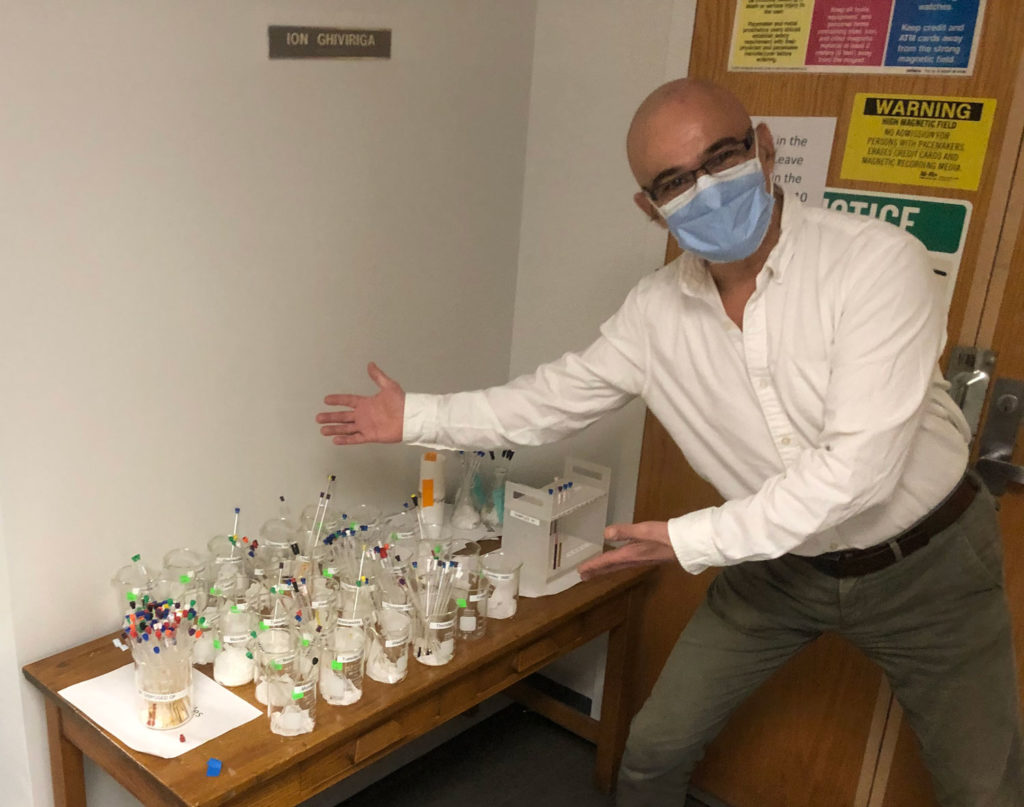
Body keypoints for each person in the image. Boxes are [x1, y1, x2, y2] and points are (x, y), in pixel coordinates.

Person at [316, 79, 1023, 806]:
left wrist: (688, 538)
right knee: (653, 749)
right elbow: (549, 400)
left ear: (766, 149)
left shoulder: (874, 263)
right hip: (777, 567)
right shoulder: (654, 313)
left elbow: (856, 473)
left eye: (723, 157)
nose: (708, 189)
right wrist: (416, 418)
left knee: (985, 786)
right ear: (650, 207)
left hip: (928, 565)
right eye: (677, 181)